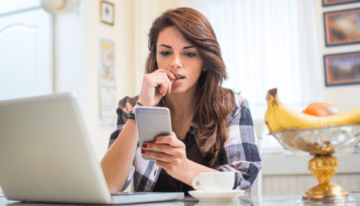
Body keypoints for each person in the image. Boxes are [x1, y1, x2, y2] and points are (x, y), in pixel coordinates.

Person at [100, 7, 262, 196]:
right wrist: (140, 110)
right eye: (166, 52)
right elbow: (107, 186)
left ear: (205, 60)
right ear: (155, 57)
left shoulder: (232, 106)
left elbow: (241, 184)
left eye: (189, 54)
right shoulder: (131, 106)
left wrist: (183, 167)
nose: (175, 62)